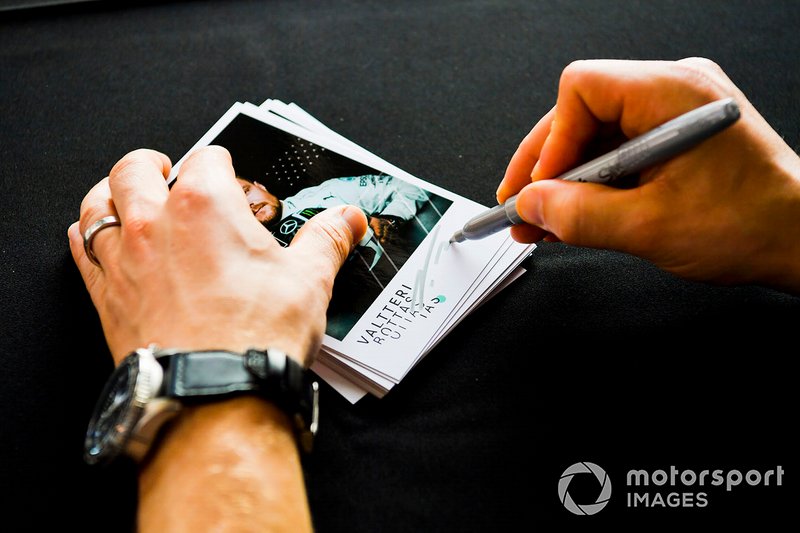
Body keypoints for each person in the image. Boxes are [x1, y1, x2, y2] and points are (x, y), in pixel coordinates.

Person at [68, 58, 800, 531]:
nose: (249, 197)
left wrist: (215, 377)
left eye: (253, 188)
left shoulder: (323, 199)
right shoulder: (277, 233)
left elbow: (379, 199)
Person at [236, 174, 429, 268]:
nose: (249, 204)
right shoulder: (249, 258)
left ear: (259, 185)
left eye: (246, 192)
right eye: (236, 202)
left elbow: (411, 184)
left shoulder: (330, 192)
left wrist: (389, 220)